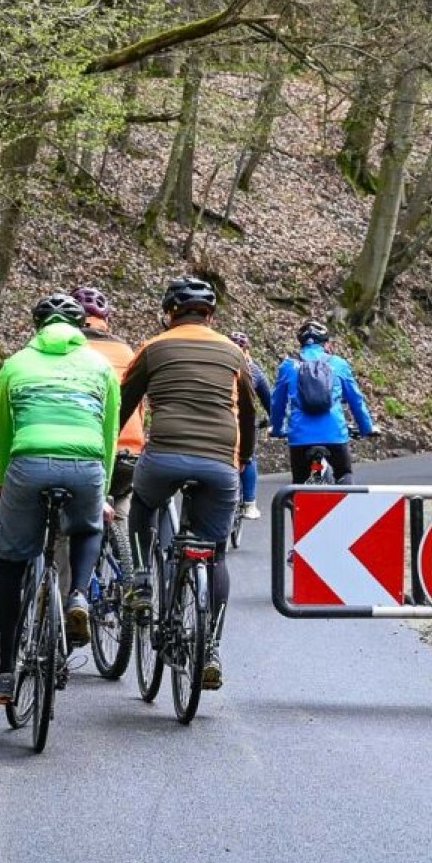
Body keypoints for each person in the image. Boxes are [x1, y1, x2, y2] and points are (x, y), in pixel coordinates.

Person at [118, 277, 256, 689]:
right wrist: (244, 457)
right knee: (214, 555)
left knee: (141, 504)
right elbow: (248, 411)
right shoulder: (235, 352)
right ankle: (210, 646)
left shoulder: (154, 347)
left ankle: (142, 579)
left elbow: (124, 402)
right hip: (219, 465)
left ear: (169, 313)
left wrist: (109, 446)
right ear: (210, 315)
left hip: (163, 457)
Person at [0, 293, 120, 705]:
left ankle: (6, 671)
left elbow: (1, 431)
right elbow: (108, 433)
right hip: (85, 465)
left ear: (36, 327)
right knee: (88, 527)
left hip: (28, 464)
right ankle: (78, 591)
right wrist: (104, 491)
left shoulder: (16, 364)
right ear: (82, 328)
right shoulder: (100, 366)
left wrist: (2, 481)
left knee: (11, 563)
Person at [74, 285, 146, 532]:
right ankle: (125, 561)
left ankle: (66, 570)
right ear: (107, 321)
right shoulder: (127, 352)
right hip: (128, 450)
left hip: (80, 452)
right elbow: (140, 409)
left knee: (66, 527)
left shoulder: (68, 351)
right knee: (122, 499)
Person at [269, 320, 375, 484]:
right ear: (325, 344)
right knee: (344, 473)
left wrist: (277, 429)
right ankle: (346, 504)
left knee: (299, 483)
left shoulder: (288, 367)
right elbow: (355, 399)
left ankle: (298, 506)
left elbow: (277, 403)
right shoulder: (339, 364)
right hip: (334, 433)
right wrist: (366, 427)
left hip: (300, 436)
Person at [229, 331, 274, 520]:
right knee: (249, 457)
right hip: (243, 423)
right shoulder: (253, 369)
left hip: (219, 419)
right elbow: (270, 402)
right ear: (247, 349)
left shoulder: (218, 363)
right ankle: (249, 504)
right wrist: (274, 421)